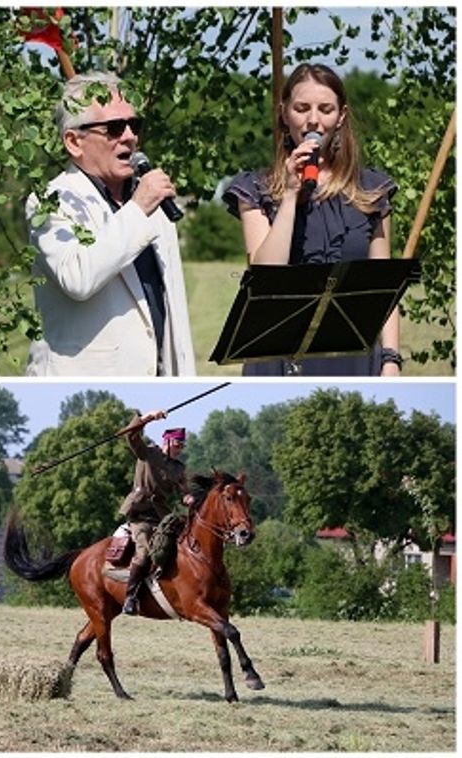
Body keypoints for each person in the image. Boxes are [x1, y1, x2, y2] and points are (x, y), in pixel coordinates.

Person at [224, 63, 400, 376]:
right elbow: (266, 276)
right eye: (302, 108)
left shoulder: (371, 190)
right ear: (284, 113)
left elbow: (383, 290)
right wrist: (290, 196)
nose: (313, 120)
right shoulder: (255, 190)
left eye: (325, 109)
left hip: (354, 356)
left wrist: (391, 360)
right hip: (280, 356)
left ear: (341, 116)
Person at [25, 72, 194, 377]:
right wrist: (137, 209)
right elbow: (78, 278)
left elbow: (175, 313)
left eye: (134, 125)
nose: (130, 136)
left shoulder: (154, 206)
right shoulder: (50, 200)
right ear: (75, 142)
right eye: (114, 128)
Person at [118, 410, 191, 616]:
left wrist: (189, 499)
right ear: (167, 441)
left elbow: (183, 492)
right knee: (143, 553)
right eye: (178, 445)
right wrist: (148, 418)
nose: (180, 449)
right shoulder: (148, 453)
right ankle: (130, 598)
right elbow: (131, 436)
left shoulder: (178, 468)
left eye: (182, 446)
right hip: (140, 514)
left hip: (161, 516)